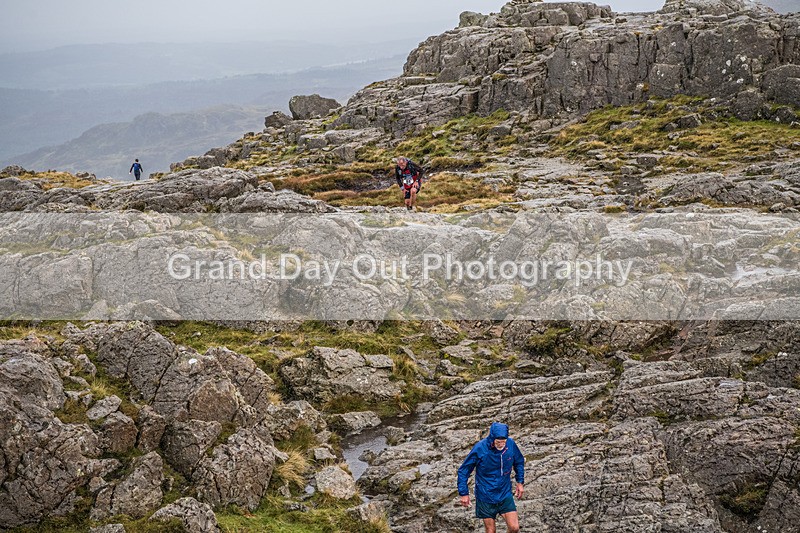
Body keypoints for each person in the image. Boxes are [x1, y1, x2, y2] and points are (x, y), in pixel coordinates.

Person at [458, 422, 525, 533]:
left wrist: (520, 482)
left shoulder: (511, 444)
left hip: (504, 493)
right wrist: (464, 493)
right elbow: (464, 470)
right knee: (490, 531)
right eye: (498, 442)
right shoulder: (480, 448)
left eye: (503, 441)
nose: (501, 444)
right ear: (492, 438)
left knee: (514, 528)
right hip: (485, 495)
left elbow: (519, 462)